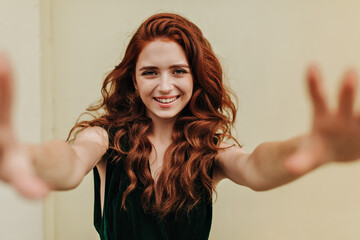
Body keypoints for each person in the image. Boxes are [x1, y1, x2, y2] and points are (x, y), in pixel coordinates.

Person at [0, 12, 359, 239]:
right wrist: (29, 158)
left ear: (196, 77)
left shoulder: (211, 149)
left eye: (179, 71)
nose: (165, 86)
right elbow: (69, 162)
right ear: (134, 81)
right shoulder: (104, 139)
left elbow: (256, 166)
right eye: (150, 72)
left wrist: (310, 149)